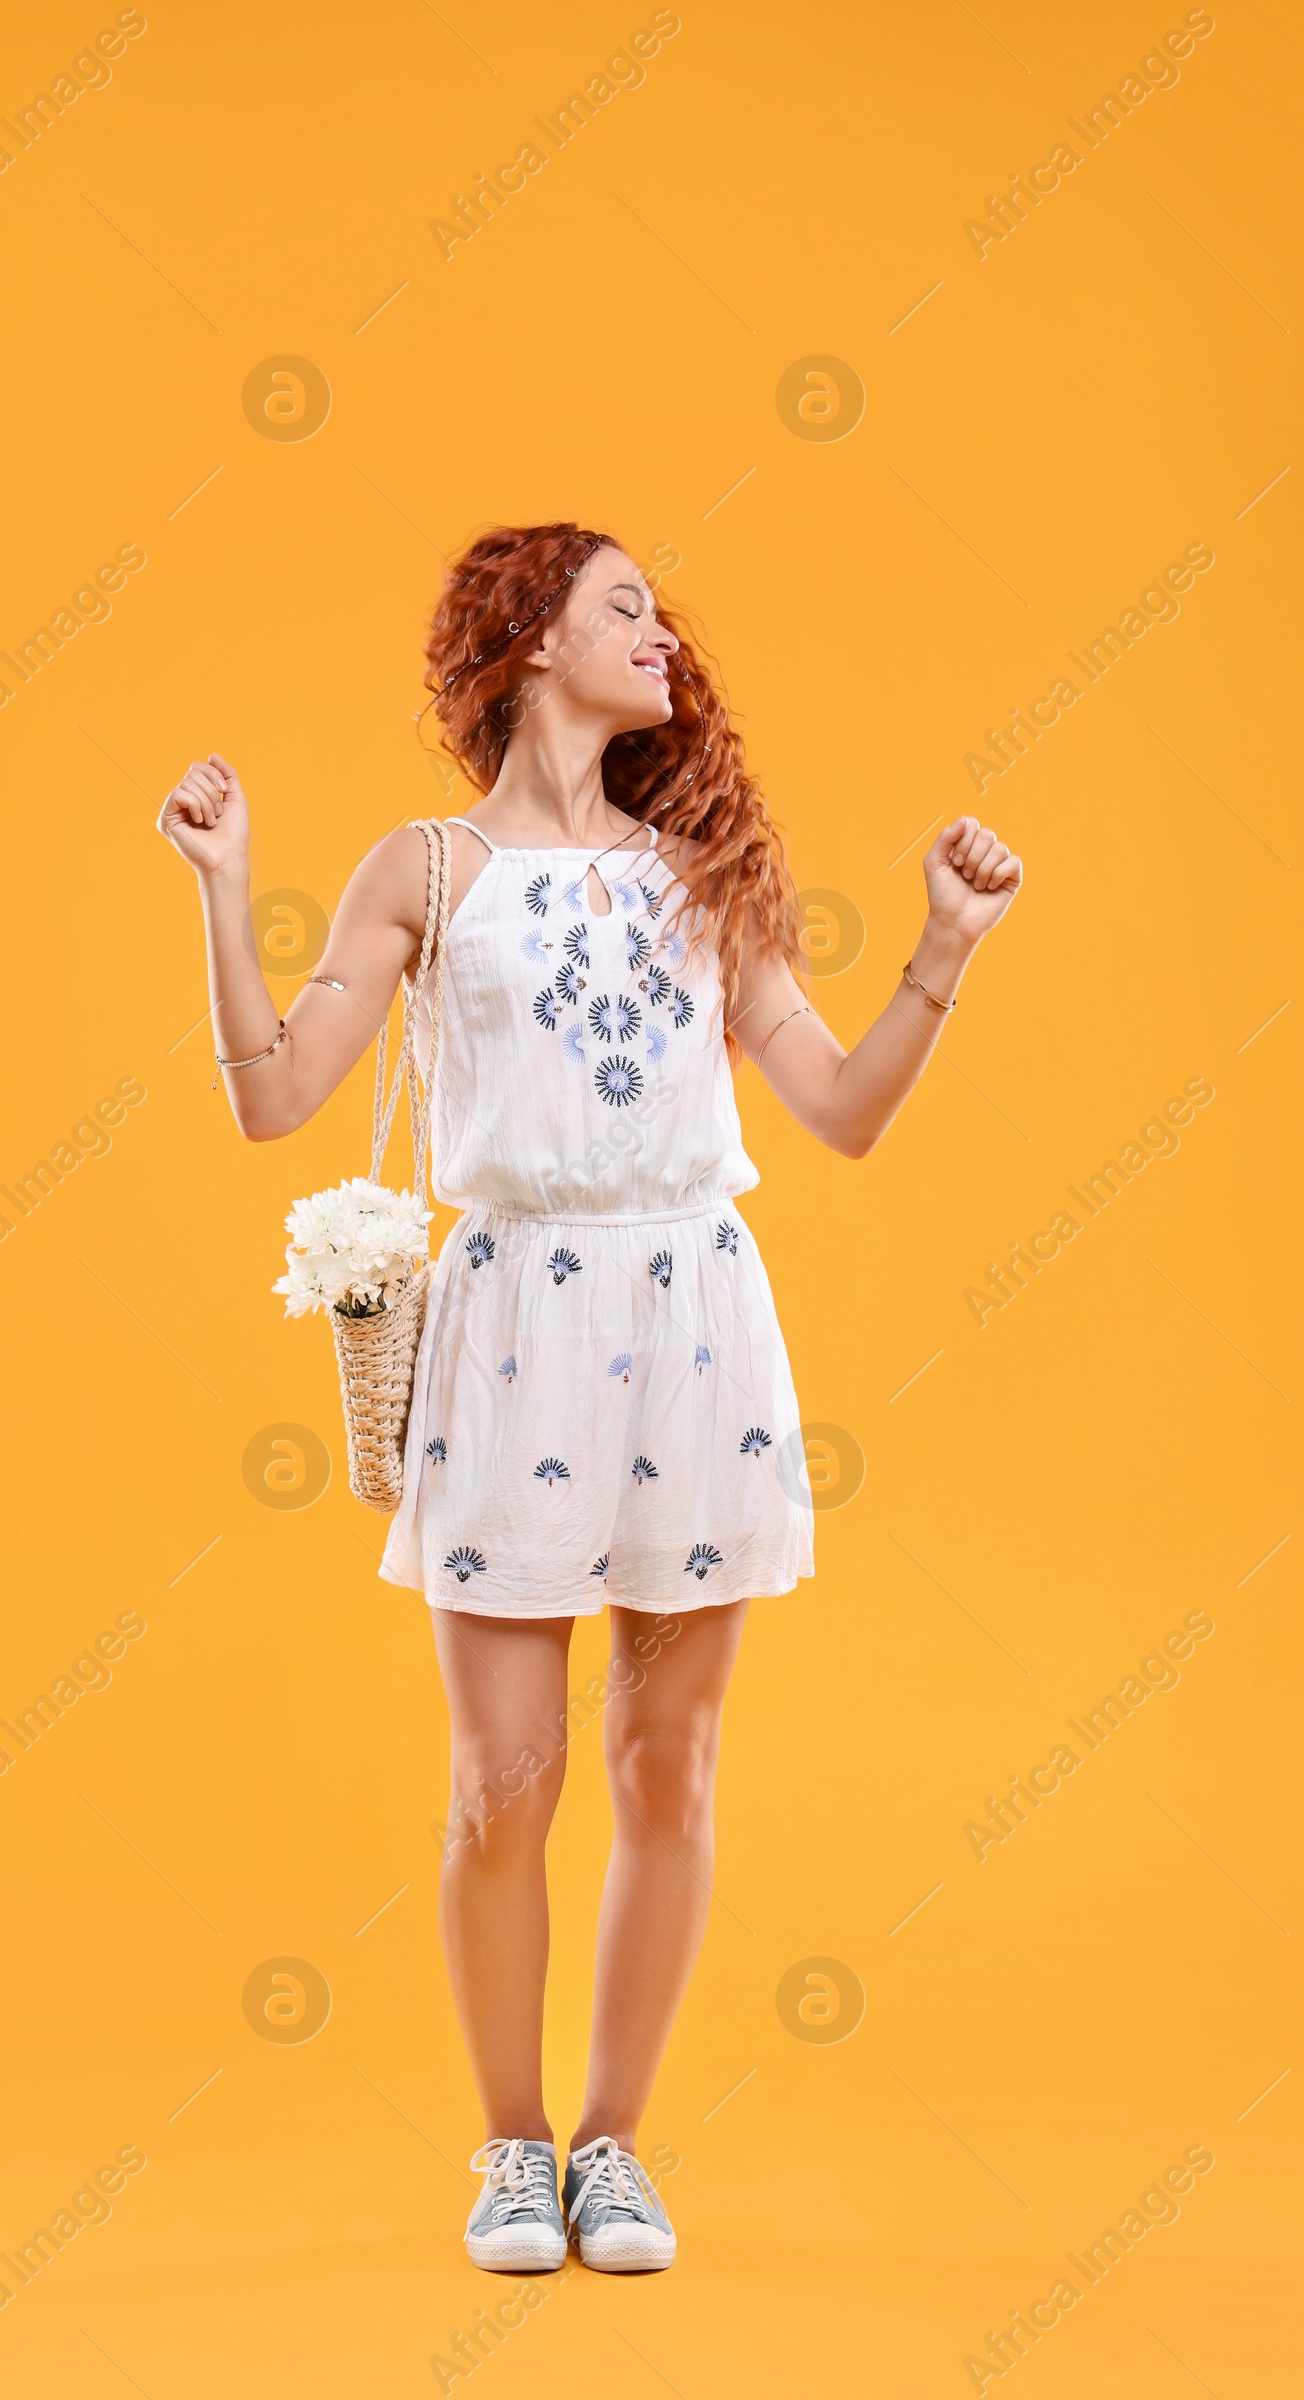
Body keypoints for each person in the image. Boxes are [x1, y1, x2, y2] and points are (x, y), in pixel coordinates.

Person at [157, 521, 1022, 2274]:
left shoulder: (701, 867)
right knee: (502, 1781)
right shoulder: (423, 870)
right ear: (530, 638)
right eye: (625, 604)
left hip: (691, 1314)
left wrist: (946, 945)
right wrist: (223, 893)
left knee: (668, 1765)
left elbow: (840, 1109)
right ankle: (509, 2149)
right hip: (509, 1326)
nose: (663, 634)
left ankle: (616, 2147)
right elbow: (274, 1100)